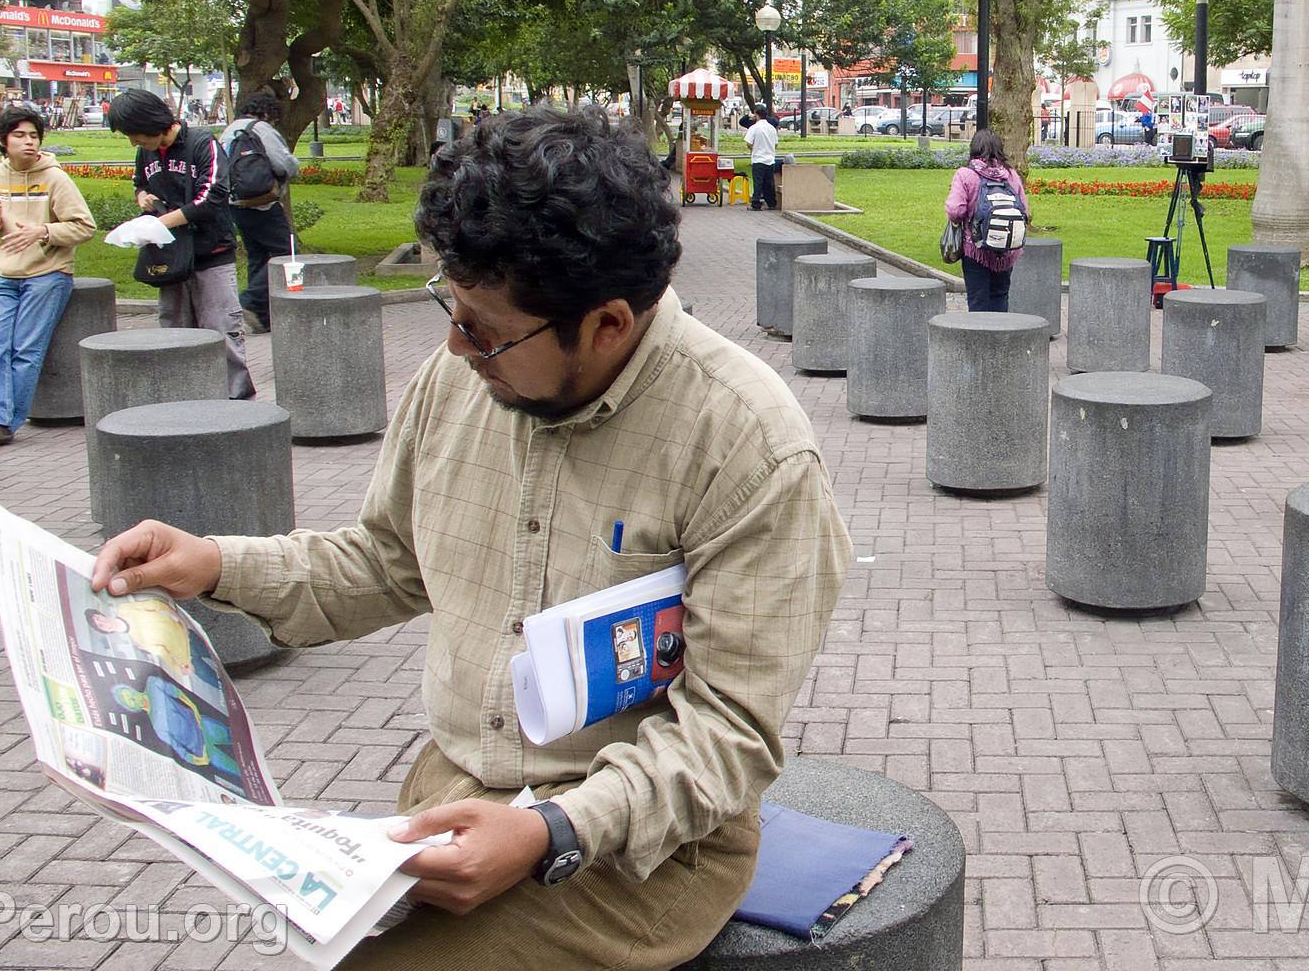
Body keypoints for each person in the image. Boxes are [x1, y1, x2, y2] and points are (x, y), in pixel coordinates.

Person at [89, 106, 851, 968]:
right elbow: (383, 563)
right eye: (449, 309)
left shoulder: (748, 445)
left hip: (640, 853)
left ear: (606, 324)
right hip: (452, 790)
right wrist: (217, 564)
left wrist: (549, 831)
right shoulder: (458, 383)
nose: (455, 348)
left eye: (483, 330)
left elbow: (729, 735)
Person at [0, 105, 96, 451]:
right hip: (4, 274)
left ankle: (1, 424)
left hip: (48, 275)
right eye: (20, 135)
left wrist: (43, 231)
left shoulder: (55, 178)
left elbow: (84, 226)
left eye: (34, 135)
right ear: (3, 140)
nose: (29, 142)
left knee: (25, 350)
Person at [108, 88, 255, 399]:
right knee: (175, 329)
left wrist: (159, 223)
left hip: (210, 252)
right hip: (169, 256)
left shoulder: (203, 144)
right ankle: (184, 400)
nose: (135, 142)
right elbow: (141, 183)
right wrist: (142, 198)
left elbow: (212, 198)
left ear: (152, 122)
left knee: (221, 330)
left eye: (136, 134)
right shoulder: (145, 152)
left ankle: (236, 401)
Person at [218, 90, 300, 334]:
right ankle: (250, 302)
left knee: (257, 256)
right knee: (287, 254)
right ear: (267, 113)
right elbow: (284, 163)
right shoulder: (261, 129)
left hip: (236, 204)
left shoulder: (229, 130)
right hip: (262, 201)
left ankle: (261, 317)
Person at [944, 128, 1029, 312]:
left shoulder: (965, 174)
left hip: (976, 249)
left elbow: (955, 210)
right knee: (1000, 295)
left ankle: (980, 339)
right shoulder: (1011, 175)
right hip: (1007, 249)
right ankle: (999, 337)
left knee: (978, 299)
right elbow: (1025, 211)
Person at [744, 103, 779, 211]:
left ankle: (756, 203)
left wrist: (754, 148)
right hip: (770, 159)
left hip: (758, 159)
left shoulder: (754, 128)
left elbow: (749, 143)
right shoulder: (772, 128)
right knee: (769, 183)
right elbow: (776, 144)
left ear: (756, 115)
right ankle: (771, 203)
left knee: (758, 182)